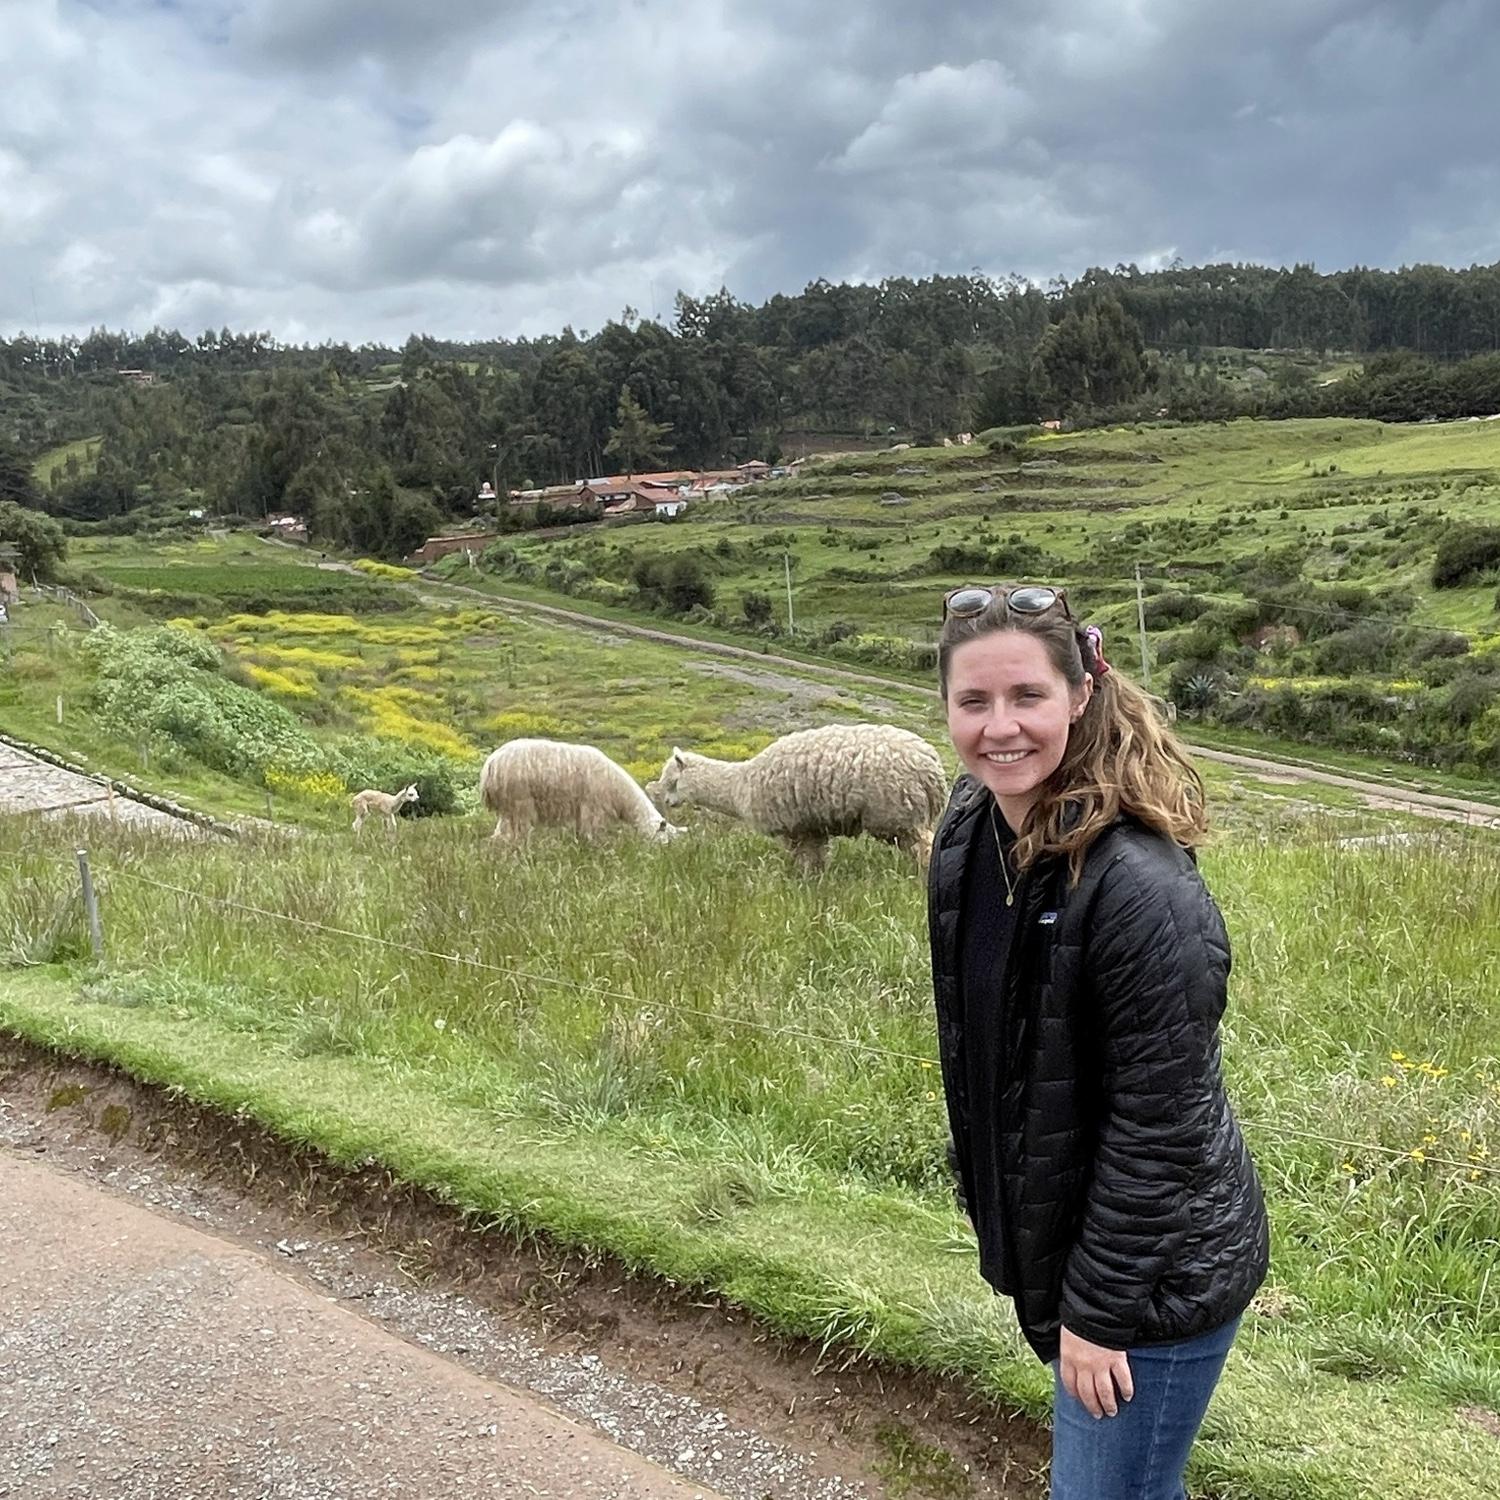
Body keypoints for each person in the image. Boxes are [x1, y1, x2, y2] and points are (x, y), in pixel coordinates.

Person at [928, 582, 1268, 1500]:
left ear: (1081, 694)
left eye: (1027, 696)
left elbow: (1161, 1126)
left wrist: (1099, 1316)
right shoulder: (969, 832)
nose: (1000, 727)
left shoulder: (1142, 891)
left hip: (1154, 1282)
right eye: (974, 701)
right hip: (1075, 1252)